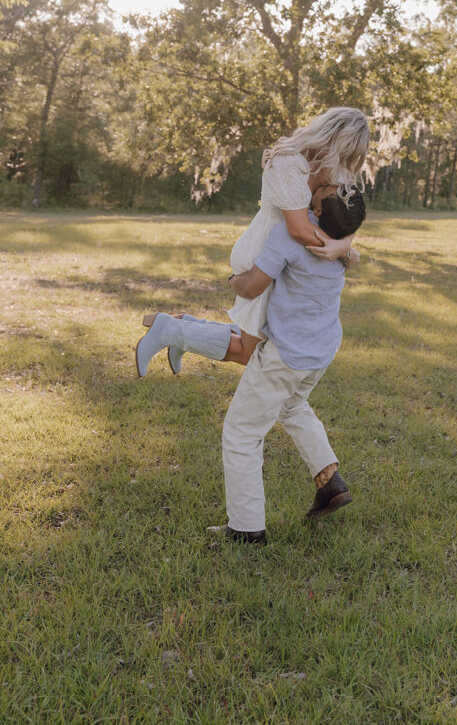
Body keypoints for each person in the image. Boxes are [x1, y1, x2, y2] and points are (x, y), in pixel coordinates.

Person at [136, 184, 367, 545]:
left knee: (242, 431)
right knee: (292, 405)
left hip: (286, 355)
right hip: (321, 350)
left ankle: (246, 529)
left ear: (317, 211)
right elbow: (349, 248)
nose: (318, 185)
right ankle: (329, 480)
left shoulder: (293, 234)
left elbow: (251, 287)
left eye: (322, 191)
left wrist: (233, 278)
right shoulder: (341, 242)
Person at [139, 107, 369, 373]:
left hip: (290, 259)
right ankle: (169, 330)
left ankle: (183, 327)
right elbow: (297, 228)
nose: (344, 162)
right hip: (263, 253)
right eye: (344, 151)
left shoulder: (333, 169)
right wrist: (343, 250)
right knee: (251, 352)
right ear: (329, 136)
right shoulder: (290, 163)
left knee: (265, 341)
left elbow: (350, 214)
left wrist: (345, 243)